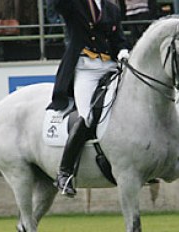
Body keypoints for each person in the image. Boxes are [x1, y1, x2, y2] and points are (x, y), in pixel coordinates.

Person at [49, 0, 130, 197]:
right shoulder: (74, 4)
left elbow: (118, 38)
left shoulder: (112, 8)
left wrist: (123, 50)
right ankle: (65, 172)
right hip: (86, 69)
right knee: (87, 117)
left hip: (110, 66)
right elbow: (56, 5)